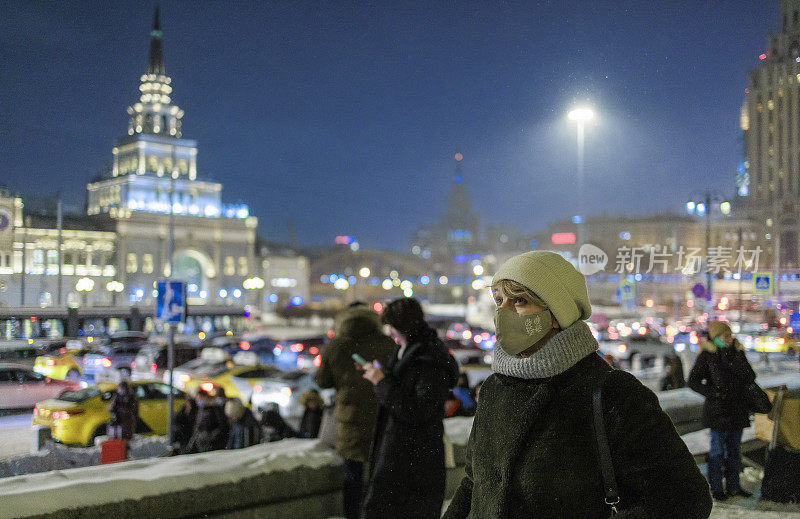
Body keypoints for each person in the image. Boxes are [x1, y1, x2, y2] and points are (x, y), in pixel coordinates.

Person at [444, 251, 712, 519]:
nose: (503, 313)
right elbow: (473, 484)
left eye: (520, 301)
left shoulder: (612, 394)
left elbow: (685, 499)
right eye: (499, 300)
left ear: (557, 313)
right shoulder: (495, 388)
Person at [360, 297, 460, 519]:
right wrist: (381, 375)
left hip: (415, 459)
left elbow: (418, 409)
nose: (390, 332)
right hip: (396, 452)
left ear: (404, 326)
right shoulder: (405, 350)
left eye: (392, 327)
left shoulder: (429, 360)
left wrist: (381, 382)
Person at [315, 302, 395, 519]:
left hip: (350, 419)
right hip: (381, 416)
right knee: (380, 474)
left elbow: (322, 381)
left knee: (353, 475)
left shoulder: (337, 345)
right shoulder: (386, 343)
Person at [688, 321, 756, 501]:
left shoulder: (737, 352)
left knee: (734, 450)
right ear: (715, 337)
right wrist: (713, 393)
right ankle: (717, 489)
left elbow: (750, 377)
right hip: (718, 411)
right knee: (717, 452)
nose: (729, 338)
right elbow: (693, 381)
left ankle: (734, 487)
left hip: (737, 410)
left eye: (730, 335)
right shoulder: (707, 356)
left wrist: (736, 358)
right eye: (725, 336)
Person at [186, 388, 229, 453]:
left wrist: (209, 437)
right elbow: (197, 425)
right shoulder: (200, 409)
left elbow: (221, 426)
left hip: (213, 443)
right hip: (201, 443)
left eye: (200, 398)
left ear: (205, 397)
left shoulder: (215, 409)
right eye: (197, 398)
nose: (198, 400)